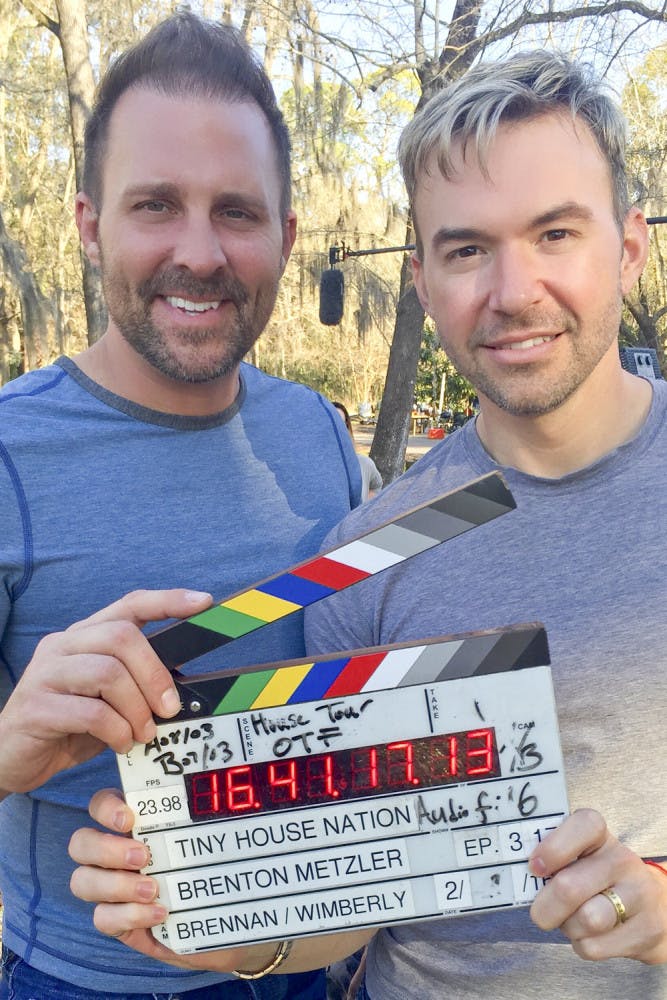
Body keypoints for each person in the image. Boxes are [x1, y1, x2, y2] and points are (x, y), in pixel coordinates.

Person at [69, 47, 667, 999]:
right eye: (467, 249)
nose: (512, 291)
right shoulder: (369, 553)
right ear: (423, 284)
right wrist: (220, 926)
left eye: (555, 234)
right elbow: (349, 900)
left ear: (629, 246)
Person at [0, 12, 363, 999]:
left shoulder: (321, 437)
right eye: (155, 204)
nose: (198, 253)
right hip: (84, 981)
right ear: (89, 223)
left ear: (286, 237)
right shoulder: (9, 451)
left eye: (236, 213)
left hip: (303, 962)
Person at [331, 401, 383, 500]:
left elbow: (376, 486)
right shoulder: (314, 468)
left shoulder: (364, 464)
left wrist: (364, 509)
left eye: (342, 425)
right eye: (333, 423)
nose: (338, 430)